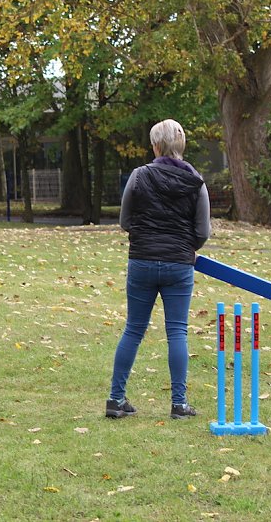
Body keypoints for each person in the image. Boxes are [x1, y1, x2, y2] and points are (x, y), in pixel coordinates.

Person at [106, 119, 212, 420]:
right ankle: (179, 404)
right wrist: (184, 245)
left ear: (155, 146)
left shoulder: (139, 176)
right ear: (182, 145)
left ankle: (116, 399)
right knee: (177, 331)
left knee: (133, 329)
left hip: (141, 260)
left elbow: (125, 221)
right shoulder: (196, 182)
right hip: (179, 264)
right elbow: (203, 231)